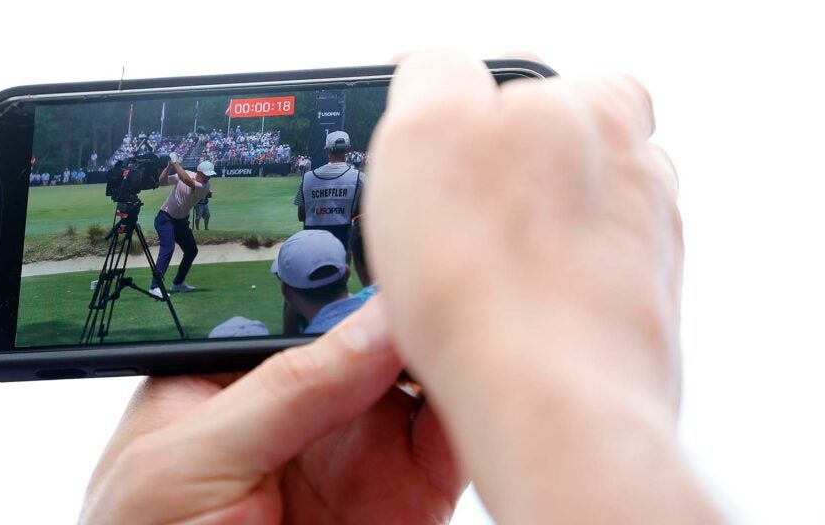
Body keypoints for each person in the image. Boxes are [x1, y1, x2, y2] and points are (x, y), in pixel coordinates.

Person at [79, 51, 725, 525]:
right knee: (183, 246)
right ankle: (174, 283)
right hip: (344, 246)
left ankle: (197, 285)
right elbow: (363, 212)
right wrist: (597, 427)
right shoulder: (320, 192)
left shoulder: (285, 192)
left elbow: (306, 212)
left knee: (213, 258)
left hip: (317, 242)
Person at [147, 156, 217, 297]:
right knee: (168, 248)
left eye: (210, 176)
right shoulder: (186, 175)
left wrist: (175, 162)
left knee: (191, 250)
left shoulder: (203, 187)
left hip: (180, 221)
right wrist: (168, 166)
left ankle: (178, 283)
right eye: (206, 176)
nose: (208, 179)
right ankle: (155, 287)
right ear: (198, 172)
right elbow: (162, 182)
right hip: (165, 218)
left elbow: (186, 180)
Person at [294, 131, 365, 249]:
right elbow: (360, 214)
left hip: (312, 243)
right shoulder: (360, 178)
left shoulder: (307, 178)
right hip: (342, 243)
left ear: (326, 150)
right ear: (348, 149)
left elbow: (301, 216)